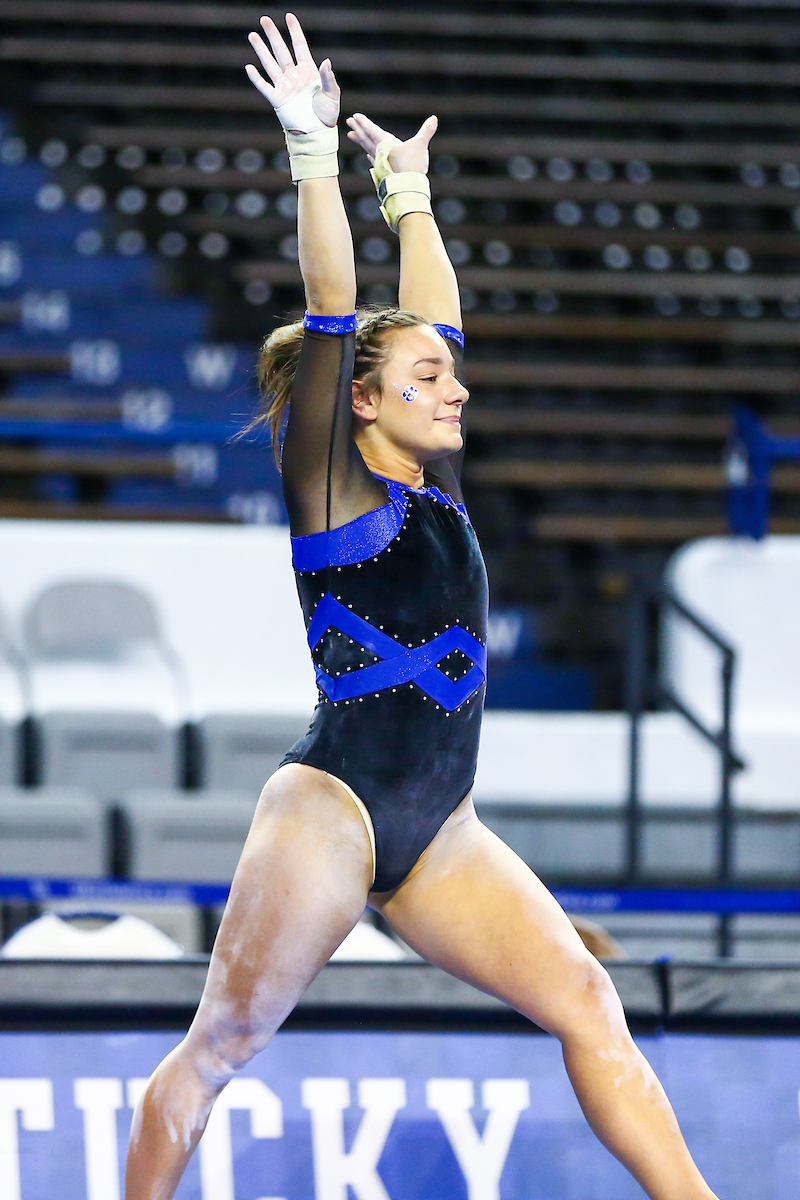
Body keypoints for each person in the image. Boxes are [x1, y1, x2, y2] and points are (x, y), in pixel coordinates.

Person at [125, 15, 719, 1200]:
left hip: (439, 828)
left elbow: (427, 315)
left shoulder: (429, 478)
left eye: (450, 375)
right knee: (221, 1048)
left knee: (588, 1003)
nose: (456, 385)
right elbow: (333, 298)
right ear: (357, 403)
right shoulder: (328, 486)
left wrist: (411, 191)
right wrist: (310, 152)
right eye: (426, 380)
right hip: (332, 810)